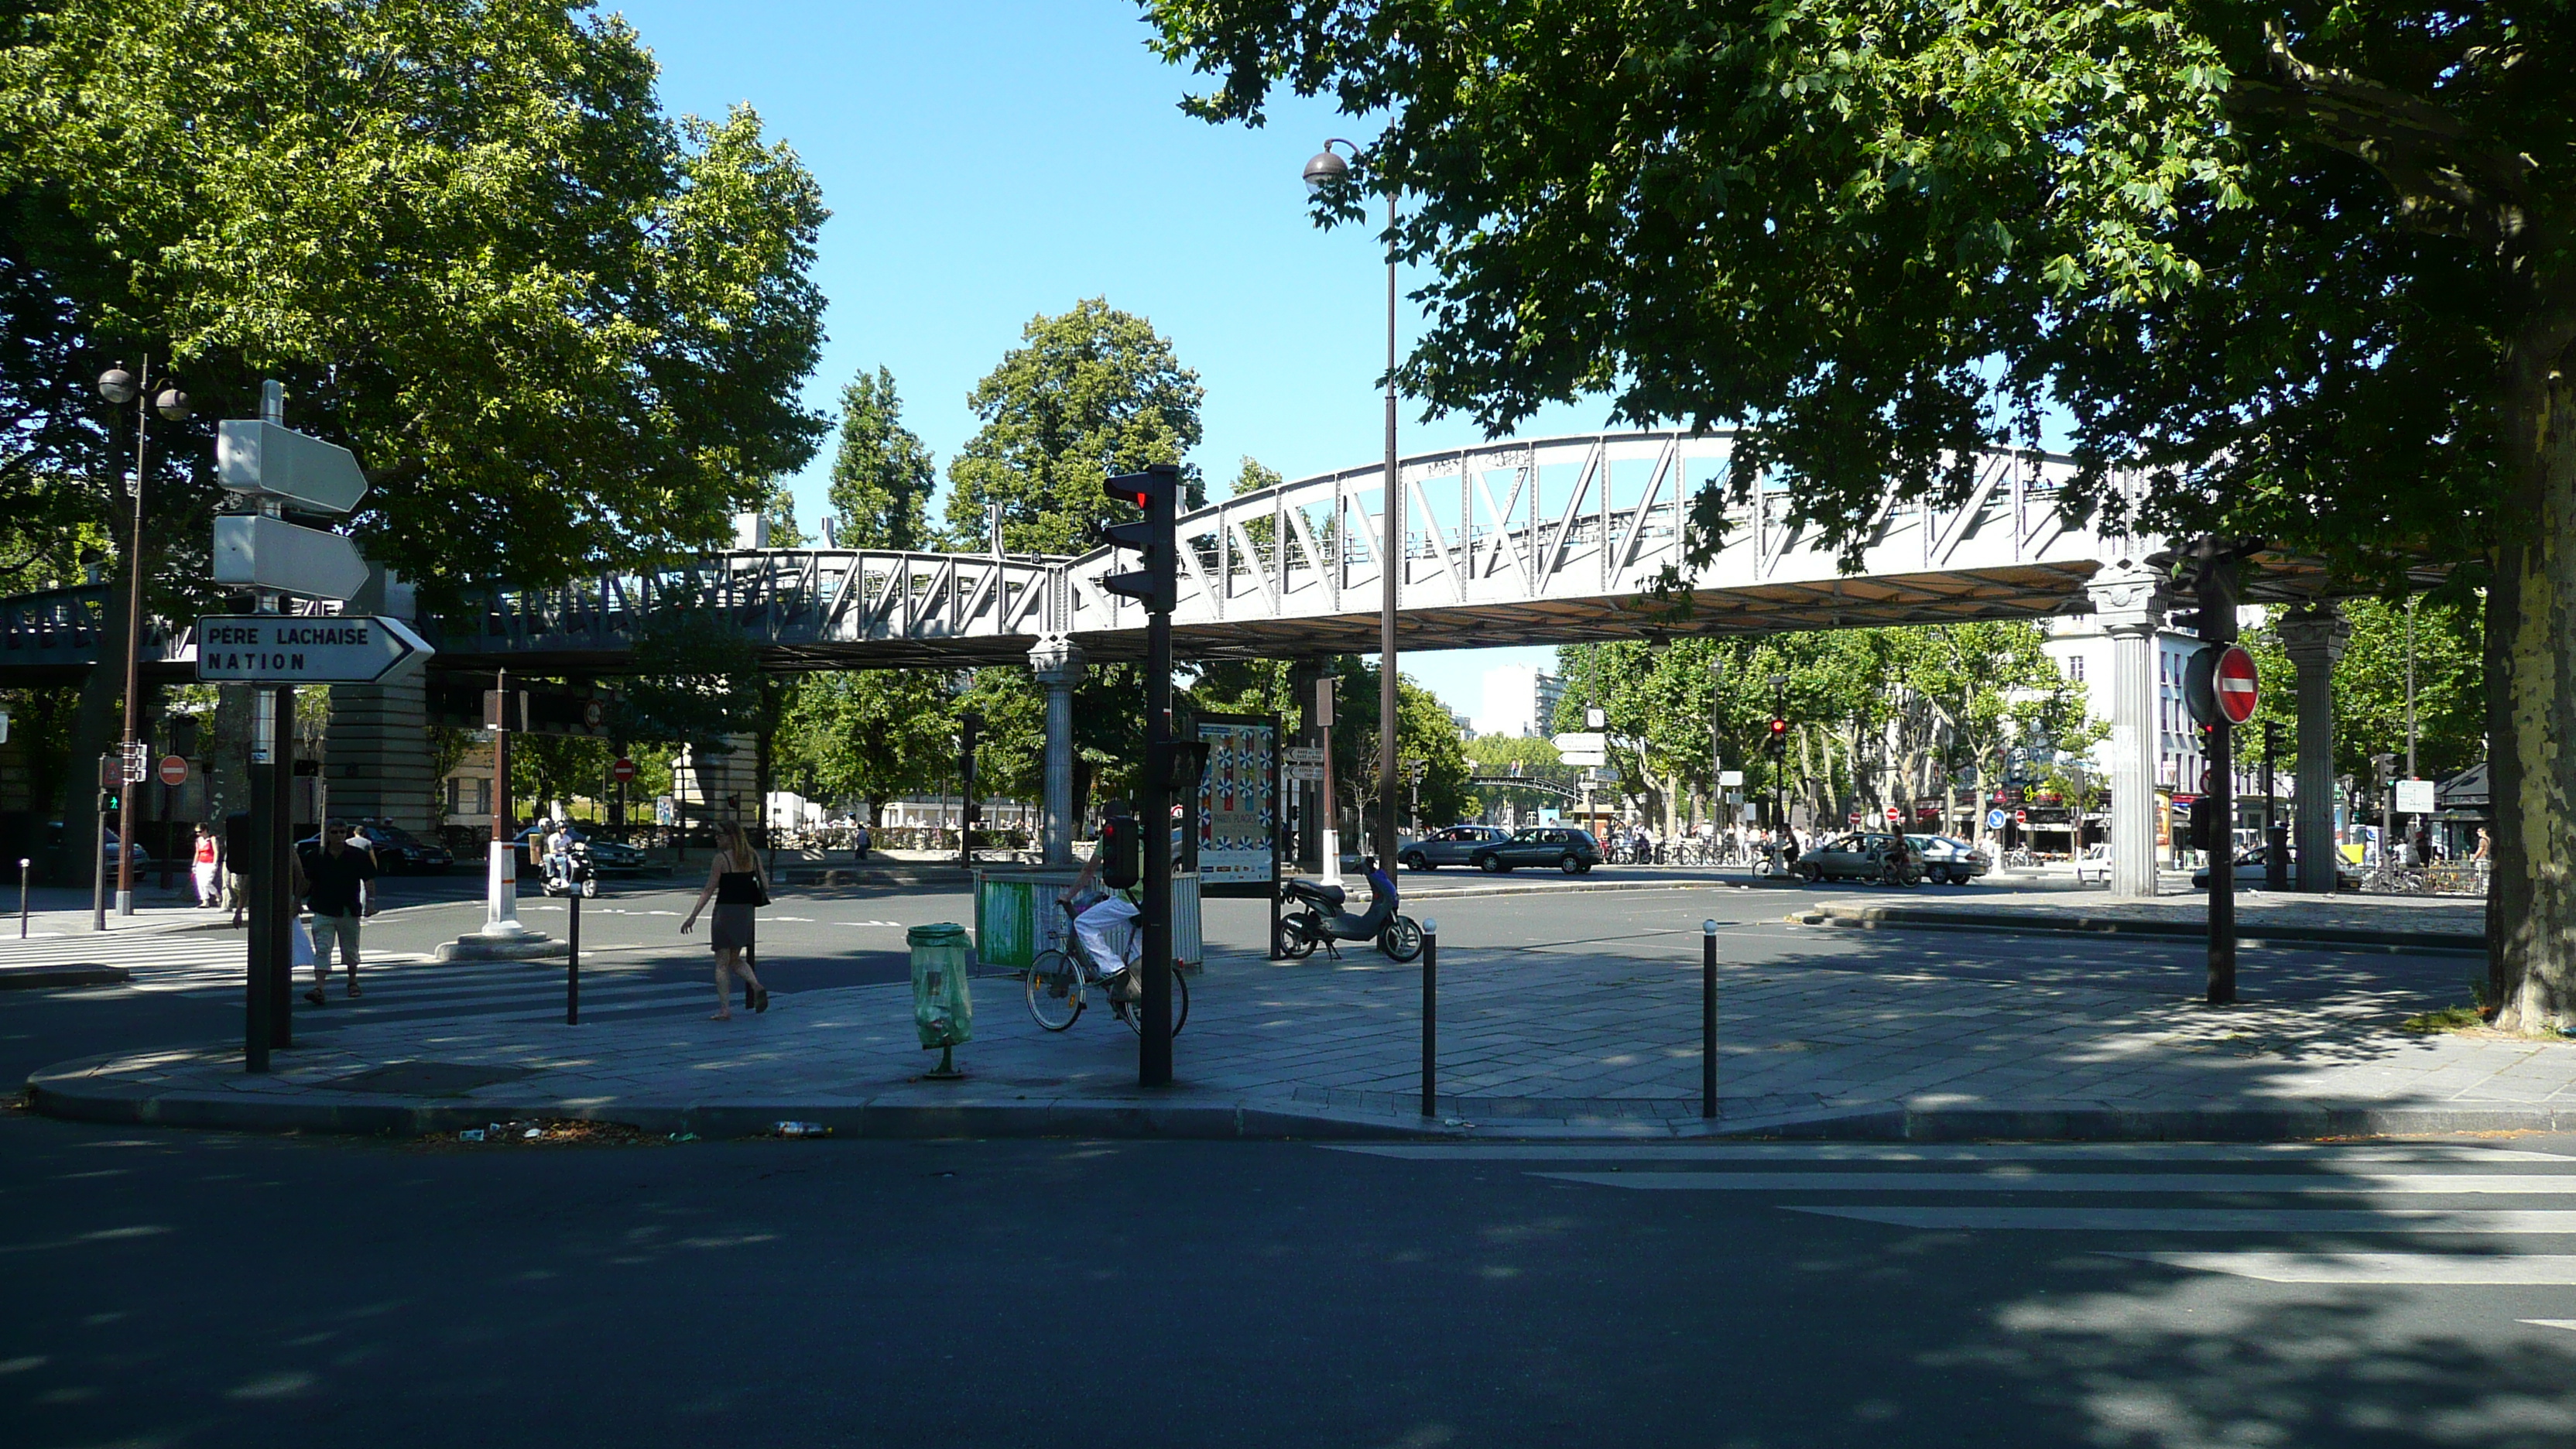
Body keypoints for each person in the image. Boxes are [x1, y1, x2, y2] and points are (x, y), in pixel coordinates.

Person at [680, 820, 769, 1019]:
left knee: (721, 963)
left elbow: (709, 889)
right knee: (734, 958)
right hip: (746, 912)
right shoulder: (752, 856)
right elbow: (765, 884)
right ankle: (756, 985)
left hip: (725, 912)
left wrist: (693, 916)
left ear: (731, 837)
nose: (717, 838)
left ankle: (725, 1009)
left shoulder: (721, 859)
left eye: (720, 835)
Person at [295, 818, 376, 1004]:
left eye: (342, 832)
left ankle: (352, 981)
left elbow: (369, 880)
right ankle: (319, 988)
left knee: (350, 949)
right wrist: (297, 901)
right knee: (322, 949)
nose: (338, 835)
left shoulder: (357, 855)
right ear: (327, 834)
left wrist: (370, 902)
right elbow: (306, 881)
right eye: (334, 832)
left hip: (349, 909)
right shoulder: (316, 855)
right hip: (323, 909)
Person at [1069, 800, 1143, 987]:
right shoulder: (1142, 832)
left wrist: (1068, 896)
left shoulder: (1111, 836)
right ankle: (1134, 994)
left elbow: (1089, 870)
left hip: (1131, 897)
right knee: (1138, 949)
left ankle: (1114, 968)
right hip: (1153, 898)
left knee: (1084, 924)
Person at [190, 824, 221, 908]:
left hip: (210, 863)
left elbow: (216, 852)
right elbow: (197, 853)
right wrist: (194, 865)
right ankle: (205, 901)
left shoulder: (212, 839)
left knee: (206, 882)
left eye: (200, 831)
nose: (198, 834)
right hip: (201, 863)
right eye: (196, 832)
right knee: (200, 883)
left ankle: (217, 895)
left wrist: (215, 863)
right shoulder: (198, 840)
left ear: (205, 830)